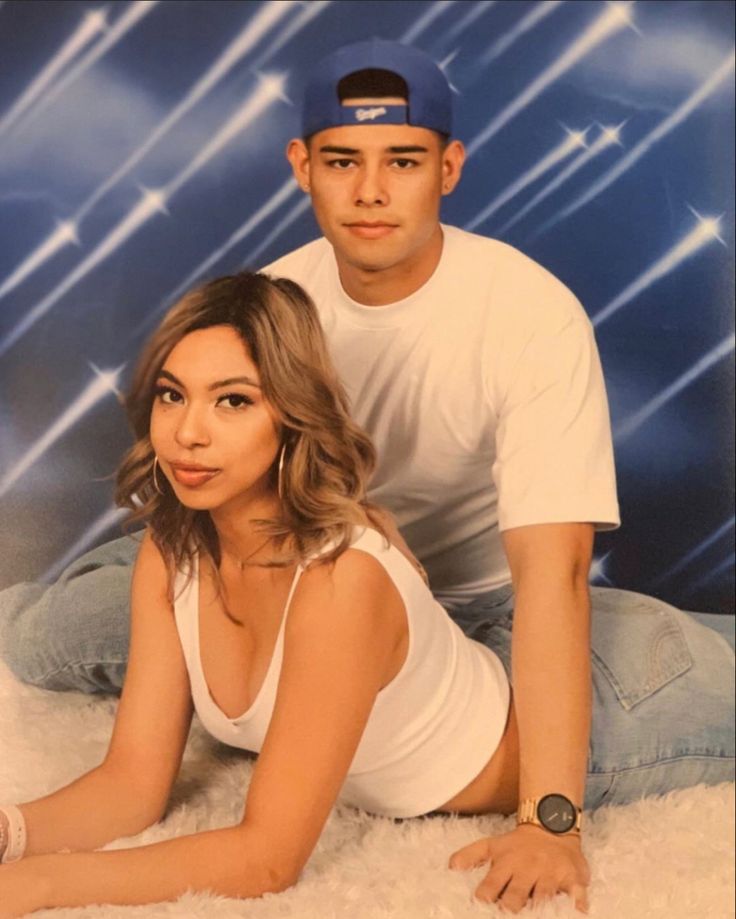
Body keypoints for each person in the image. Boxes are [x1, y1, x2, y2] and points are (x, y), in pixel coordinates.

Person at [0, 39, 733, 912]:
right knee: (52, 632)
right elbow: (129, 784)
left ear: (448, 169)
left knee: (668, 658)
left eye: (404, 161)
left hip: (495, 604)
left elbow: (556, 578)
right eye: (343, 161)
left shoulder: (529, 315)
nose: (372, 191)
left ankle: (680, 638)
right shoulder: (275, 309)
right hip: (320, 562)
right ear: (302, 167)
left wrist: (552, 818)